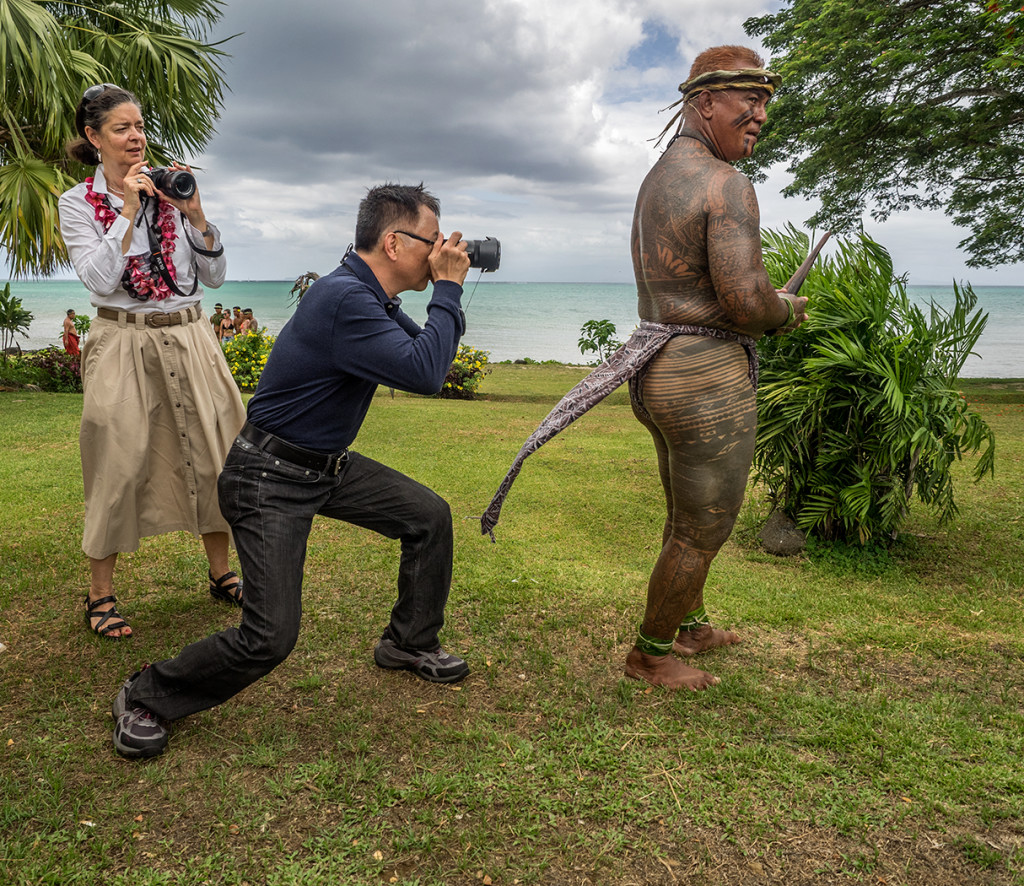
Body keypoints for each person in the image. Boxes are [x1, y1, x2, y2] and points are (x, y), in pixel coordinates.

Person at [478, 46, 808, 691]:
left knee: (688, 514)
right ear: (703, 101)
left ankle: (691, 625)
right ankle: (651, 654)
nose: (761, 114)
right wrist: (787, 310)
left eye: (766, 100)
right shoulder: (726, 184)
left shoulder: (660, 179)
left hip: (658, 365)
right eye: (750, 98)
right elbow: (744, 302)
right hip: (703, 377)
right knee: (704, 523)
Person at [111, 182, 472, 757]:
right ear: (395, 242)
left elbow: (433, 353)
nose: (440, 252)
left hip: (323, 467)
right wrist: (448, 288)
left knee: (427, 517)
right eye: (432, 241)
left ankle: (408, 643)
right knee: (270, 637)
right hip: (269, 478)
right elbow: (427, 375)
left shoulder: (363, 293)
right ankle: (147, 694)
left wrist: (447, 295)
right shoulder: (343, 299)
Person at [58, 84, 246, 640]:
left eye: (139, 126)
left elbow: (212, 277)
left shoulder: (172, 190)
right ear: (94, 138)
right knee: (116, 458)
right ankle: (100, 594)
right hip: (122, 340)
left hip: (190, 336)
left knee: (216, 453)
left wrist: (194, 212)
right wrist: (129, 212)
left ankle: (221, 572)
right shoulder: (77, 203)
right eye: (121, 128)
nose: (136, 137)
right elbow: (96, 279)